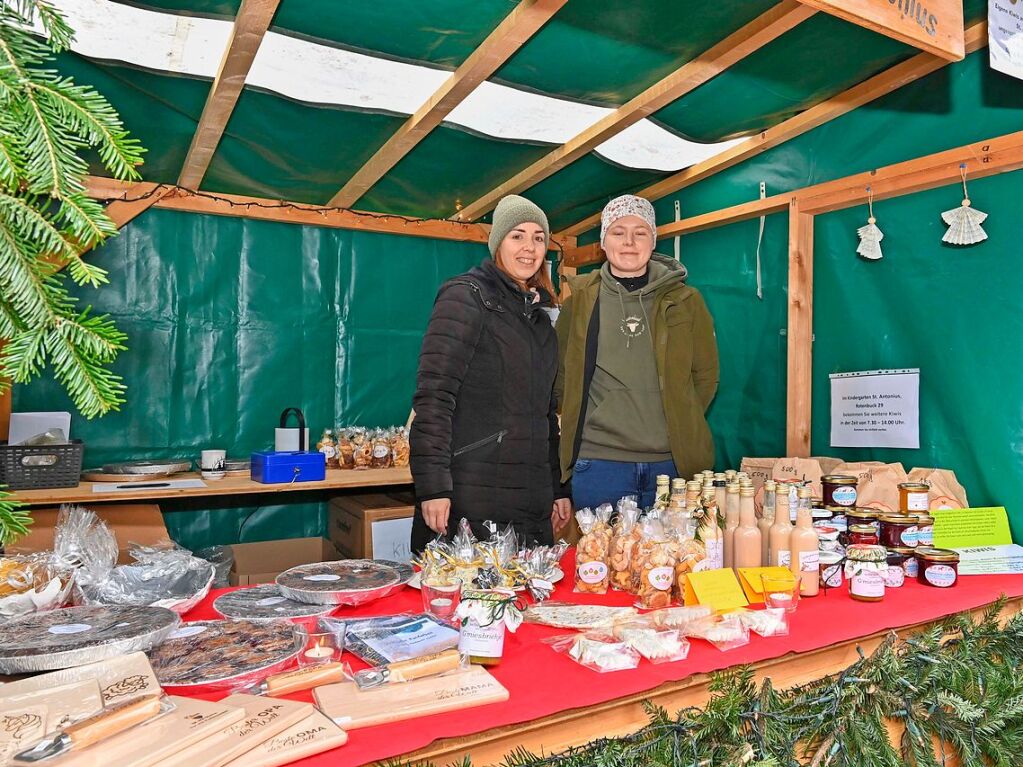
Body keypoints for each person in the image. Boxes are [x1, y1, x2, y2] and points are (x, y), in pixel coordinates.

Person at [409, 195, 572, 553]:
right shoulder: (466, 297)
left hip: (529, 500)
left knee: (528, 603)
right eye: (517, 235)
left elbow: (545, 415)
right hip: (472, 492)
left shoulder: (541, 320)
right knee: (469, 603)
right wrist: (434, 487)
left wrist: (557, 489)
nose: (529, 247)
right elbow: (434, 398)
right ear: (498, 241)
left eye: (538, 238)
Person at [555, 194, 719, 510]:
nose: (629, 242)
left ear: (652, 240)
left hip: (672, 466)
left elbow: (706, 375)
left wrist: (677, 412)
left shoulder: (686, 300)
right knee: (602, 559)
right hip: (600, 464)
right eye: (618, 232)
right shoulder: (580, 301)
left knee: (673, 559)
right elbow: (560, 375)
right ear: (603, 242)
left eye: (640, 232)